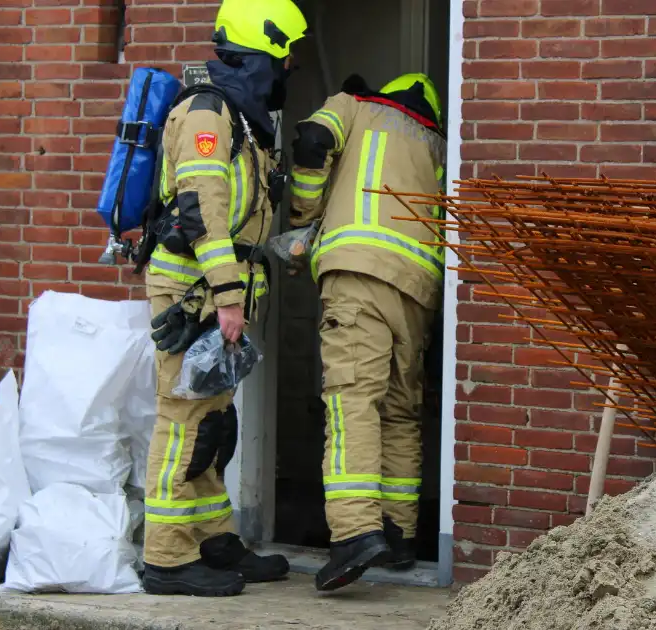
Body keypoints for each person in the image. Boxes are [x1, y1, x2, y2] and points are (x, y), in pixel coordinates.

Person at [140, 0, 307, 598]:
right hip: (193, 293)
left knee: (214, 423)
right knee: (183, 424)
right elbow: (201, 214)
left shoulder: (243, 118)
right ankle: (164, 558)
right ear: (259, 51)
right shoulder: (208, 113)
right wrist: (229, 295)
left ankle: (211, 540)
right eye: (283, 56)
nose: (287, 68)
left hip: (215, 293)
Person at [286, 72, 447, 592]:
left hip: (358, 276)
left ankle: (355, 533)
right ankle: (399, 535)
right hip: (418, 290)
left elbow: (312, 140)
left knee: (351, 401)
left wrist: (301, 216)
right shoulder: (438, 143)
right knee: (399, 410)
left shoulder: (354, 106)